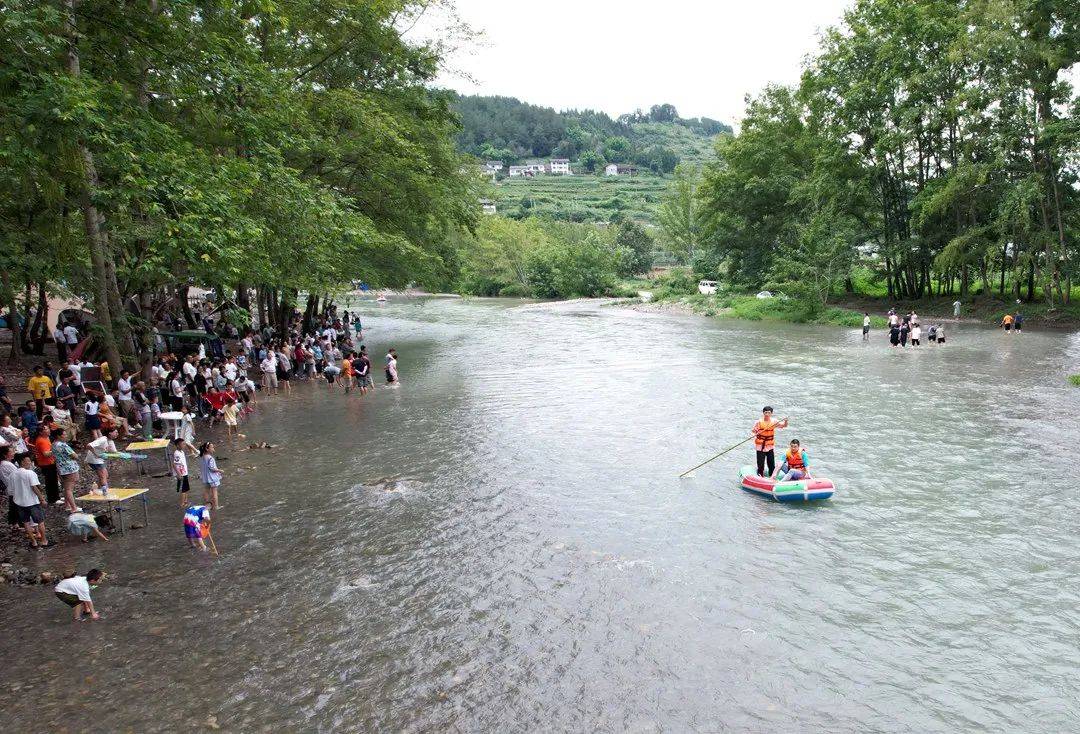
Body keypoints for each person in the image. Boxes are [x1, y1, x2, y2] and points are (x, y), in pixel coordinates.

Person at [10, 453, 49, 548]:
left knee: (26, 523)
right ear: (22, 462)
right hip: (32, 502)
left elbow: (10, 491)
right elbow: (34, 487)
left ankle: (34, 542)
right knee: (40, 521)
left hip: (19, 503)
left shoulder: (12, 474)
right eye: (28, 461)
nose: (30, 463)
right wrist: (42, 499)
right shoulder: (30, 473)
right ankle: (44, 541)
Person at [751, 406, 788, 477]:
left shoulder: (774, 421)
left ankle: (772, 476)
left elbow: (784, 425)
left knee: (771, 463)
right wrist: (755, 432)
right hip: (760, 446)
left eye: (769, 413)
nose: (767, 414)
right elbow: (753, 431)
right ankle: (760, 475)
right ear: (763, 413)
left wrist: (786, 421)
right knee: (760, 463)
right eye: (766, 412)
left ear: (771, 413)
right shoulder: (758, 422)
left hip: (770, 446)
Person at [52, 430, 81, 512]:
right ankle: (74, 507)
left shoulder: (53, 444)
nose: (66, 436)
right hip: (69, 468)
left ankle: (67, 505)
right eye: (64, 434)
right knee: (69, 489)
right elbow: (75, 456)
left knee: (66, 487)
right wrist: (75, 455)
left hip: (61, 468)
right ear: (58, 436)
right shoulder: (63, 445)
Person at [32, 426, 61, 505]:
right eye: (46, 429)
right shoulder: (41, 441)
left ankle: (56, 497)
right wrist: (56, 450)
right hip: (46, 464)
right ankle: (52, 499)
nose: (48, 430)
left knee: (54, 480)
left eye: (48, 428)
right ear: (41, 432)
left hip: (50, 462)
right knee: (50, 481)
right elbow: (46, 454)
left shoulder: (46, 438)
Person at [85, 429, 118, 495]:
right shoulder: (102, 439)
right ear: (110, 433)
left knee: (105, 475)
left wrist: (124, 455)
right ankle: (105, 492)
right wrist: (96, 454)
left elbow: (114, 452)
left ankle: (96, 490)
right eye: (116, 432)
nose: (117, 434)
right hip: (94, 459)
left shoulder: (110, 441)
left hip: (99, 460)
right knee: (103, 476)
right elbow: (88, 446)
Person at [198, 442, 223, 510]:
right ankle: (216, 506)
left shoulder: (202, 457)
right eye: (212, 447)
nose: (213, 449)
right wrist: (219, 470)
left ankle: (208, 505)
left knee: (206, 491)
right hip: (212, 478)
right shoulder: (210, 458)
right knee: (214, 492)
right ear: (207, 449)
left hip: (205, 478)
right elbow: (212, 468)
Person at [173, 437, 191, 507]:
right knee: (183, 489)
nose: (184, 445)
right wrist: (179, 474)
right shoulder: (177, 453)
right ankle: (182, 503)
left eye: (184, 444)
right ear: (178, 445)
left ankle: (185, 501)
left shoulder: (182, 452)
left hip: (184, 472)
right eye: (182, 444)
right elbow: (174, 464)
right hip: (181, 474)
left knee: (186, 488)